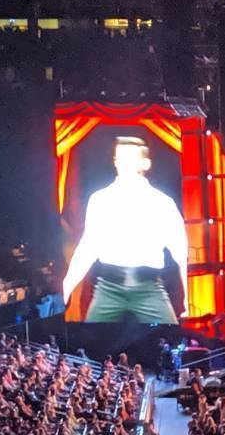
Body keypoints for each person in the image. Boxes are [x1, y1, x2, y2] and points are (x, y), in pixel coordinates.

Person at [61, 134, 191, 324]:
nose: (124, 163)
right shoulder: (100, 199)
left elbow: (181, 254)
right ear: (115, 162)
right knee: (91, 339)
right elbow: (88, 248)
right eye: (119, 158)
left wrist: (188, 297)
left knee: (169, 333)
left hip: (149, 288)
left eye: (130, 158)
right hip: (108, 288)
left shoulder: (162, 203)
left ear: (145, 163)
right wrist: (67, 285)